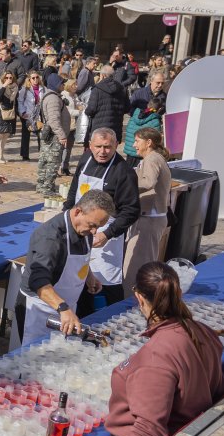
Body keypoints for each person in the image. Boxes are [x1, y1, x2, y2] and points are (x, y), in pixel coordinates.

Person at [81, 262, 224, 436]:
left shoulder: (156, 357)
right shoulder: (201, 331)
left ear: (138, 298)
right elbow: (217, 387)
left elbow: (148, 428)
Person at [17, 189, 116, 345]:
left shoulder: (85, 230)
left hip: (66, 309)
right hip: (39, 309)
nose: (94, 232)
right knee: (35, 359)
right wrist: (63, 308)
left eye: (98, 227)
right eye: (92, 225)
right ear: (78, 212)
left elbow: (75, 260)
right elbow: (38, 282)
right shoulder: (50, 237)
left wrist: (88, 276)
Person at [63, 128, 140, 313]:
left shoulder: (124, 172)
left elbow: (131, 210)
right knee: (79, 281)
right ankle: (81, 317)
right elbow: (74, 190)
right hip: (79, 230)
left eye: (108, 147)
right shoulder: (85, 160)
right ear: (90, 145)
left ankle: (115, 318)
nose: (102, 151)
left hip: (104, 239)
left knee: (108, 286)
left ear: (116, 146)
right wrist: (67, 215)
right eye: (98, 146)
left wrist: (107, 234)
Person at [123, 128, 172, 298]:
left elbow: (148, 182)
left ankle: (132, 302)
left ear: (148, 142)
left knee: (135, 267)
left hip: (149, 219)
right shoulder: (153, 158)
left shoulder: (152, 159)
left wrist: (124, 186)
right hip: (150, 217)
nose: (134, 145)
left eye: (137, 141)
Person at [35, 79, 72, 196]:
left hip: (50, 134)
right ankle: (47, 188)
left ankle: (41, 186)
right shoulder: (53, 99)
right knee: (52, 162)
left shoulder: (52, 96)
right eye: (61, 83)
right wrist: (61, 135)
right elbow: (54, 119)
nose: (63, 85)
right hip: (54, 136)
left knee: (45, 160)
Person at [85, 72, 130, 147]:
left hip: (99, 127)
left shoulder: (97, 89)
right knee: (111, 150)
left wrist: (86, 111)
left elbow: (91, 110)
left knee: (99, 151)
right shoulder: (122, 89)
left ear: (102, 75)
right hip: (116, 126)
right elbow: (127, 108)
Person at [123, 99, 163, 163]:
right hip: (143, 154)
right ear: (160, 109)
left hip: (130, 153)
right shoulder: (155, 121)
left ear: (148, 105)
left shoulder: (134, 116)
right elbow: (156, 140)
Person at [0, 71, 19, 164]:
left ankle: (1, 154)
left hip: (10, 112)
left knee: (6, 134)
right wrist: (4, 85)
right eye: (6, 77)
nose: (8, 79)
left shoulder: (15, 87)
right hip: (0, 111)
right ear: (3, 78)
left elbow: (15, 101)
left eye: (10, 78)